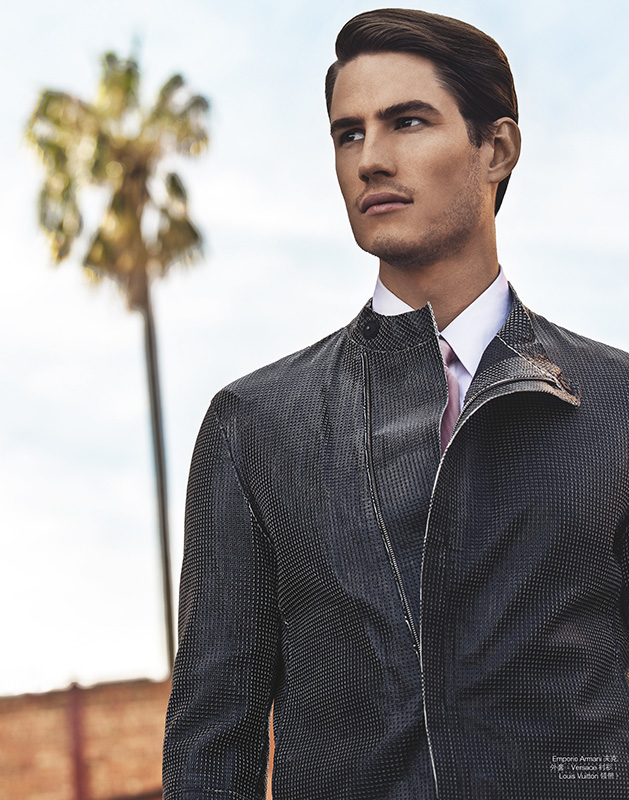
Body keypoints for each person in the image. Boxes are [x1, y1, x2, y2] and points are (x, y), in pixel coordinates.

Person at [163, 8, 629, 799]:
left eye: (406, 122)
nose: (370, 159)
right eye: (348, 134)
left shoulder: (614, 406)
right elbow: (213, 746)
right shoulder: (255, 424)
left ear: (496, 148)